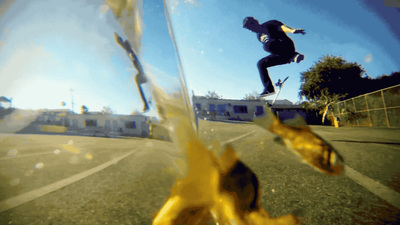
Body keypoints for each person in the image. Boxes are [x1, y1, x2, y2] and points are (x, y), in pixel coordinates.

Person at [243, 17, 306, 96]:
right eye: (248, 29)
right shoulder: (258, 36)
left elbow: (281, 27)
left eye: (250, 27)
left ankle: (292, 55)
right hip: (279, 56)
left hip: (286, 46)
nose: (250, 30)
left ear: (255, 23)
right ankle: (269, 89)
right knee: (261, 64)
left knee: (271, 44)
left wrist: (292, 30)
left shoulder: (269, 24)